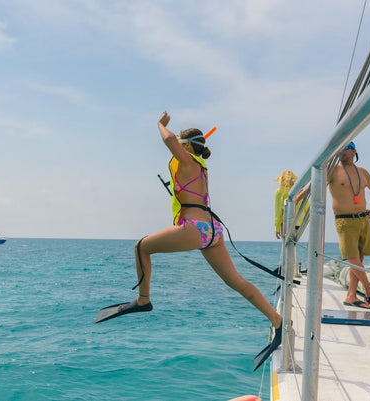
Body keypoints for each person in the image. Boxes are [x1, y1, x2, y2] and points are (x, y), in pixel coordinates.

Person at [96, 111, 282, 370]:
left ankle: (143, 300)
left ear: (187, 147)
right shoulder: (199, 166)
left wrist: (160, 124)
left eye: (180, 146)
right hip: (212, 230)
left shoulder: (187, 160)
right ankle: (277, 320)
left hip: (195, 228)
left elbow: (169, 140)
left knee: (141, 247)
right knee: (235, 281)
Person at [328, 141, 370, 309]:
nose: (342, 151)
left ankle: (351, 295)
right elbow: (312, 187)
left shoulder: (362, 172)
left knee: (359, 258)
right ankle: (368, 288)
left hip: (364, 219)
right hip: (345, 220)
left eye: (346, 148)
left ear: (354, 151)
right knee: (352, 258)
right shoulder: (333, 170)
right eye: (340, 148)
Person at [274, 171, 308, 239]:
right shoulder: (299, 191)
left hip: (286, 224)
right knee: (293, 244)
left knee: (287, 245)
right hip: (299, 224)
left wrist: (277, 228)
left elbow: (278, 211)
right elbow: (307, 207)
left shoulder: (279, 191)